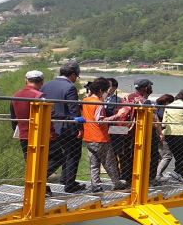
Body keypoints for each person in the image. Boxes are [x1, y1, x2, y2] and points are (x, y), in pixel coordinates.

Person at [41, 61, 87, 193]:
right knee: (73, 154)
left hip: (51, 126)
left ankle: (64, 178)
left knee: (62, 154)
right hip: (68, 126)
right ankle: (70, 184)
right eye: (76, 76)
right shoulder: (70, 87)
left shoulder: (46, 86)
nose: (76, 79)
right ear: (73, 74)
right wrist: (79, 128)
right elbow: (73, 109)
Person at [82, 78, 130, 192]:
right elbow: (100, 120)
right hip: (101, 137)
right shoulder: (99, 103)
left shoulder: (85, 100)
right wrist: (118, 115)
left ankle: (95, 185)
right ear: (100, 90)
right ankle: (117, 183)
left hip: (89, 136)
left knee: (94, 163)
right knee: (110, 163)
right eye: (104, 91)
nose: (105, 94)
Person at [121, 78, 164, 185]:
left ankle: (128, 178)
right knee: (154, 155)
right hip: (144, 132)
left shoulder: (126, 98)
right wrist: (161, 133)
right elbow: (155, 118)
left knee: (129, 155)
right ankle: (150, 178)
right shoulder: (145, 101)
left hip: (126, 131)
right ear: (146, 88)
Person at [105, 78, 131, 180]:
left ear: (114, 88)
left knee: (120, 153)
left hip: (116, 129)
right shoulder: (98, 100)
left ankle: (123, 175)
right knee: (107, 155)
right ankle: (114, 175)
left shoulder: (119, 100)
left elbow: (122, 117)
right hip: (103, 130)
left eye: (108, 85)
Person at [154, 94, 175, 179]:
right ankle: (157, 175)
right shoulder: (164, 110)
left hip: (156, 134)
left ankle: (156, 175)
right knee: (167, 155)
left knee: (159, 156)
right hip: (162, 134)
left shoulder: (157, 108)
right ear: (167, 102)